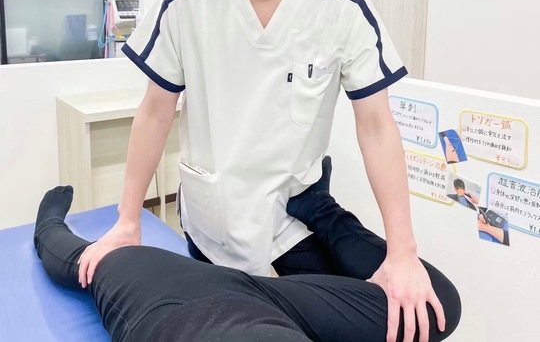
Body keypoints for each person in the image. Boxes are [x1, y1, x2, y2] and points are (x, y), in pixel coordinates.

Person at [78, 0, 450, 341]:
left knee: (427, 310)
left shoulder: (344, 8)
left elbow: (376, 126)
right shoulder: (186, 3)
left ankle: (246, 299)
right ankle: (241, 299)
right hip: (216, 214)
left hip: (298, 213)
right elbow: (156, 113)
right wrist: (127, 219)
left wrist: (403, 252)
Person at [34, 171, 461, 341]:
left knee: (82, 262)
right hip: (269, 306)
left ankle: (48, 225)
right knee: (436, 310)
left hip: (166, 300)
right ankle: (321, 208)